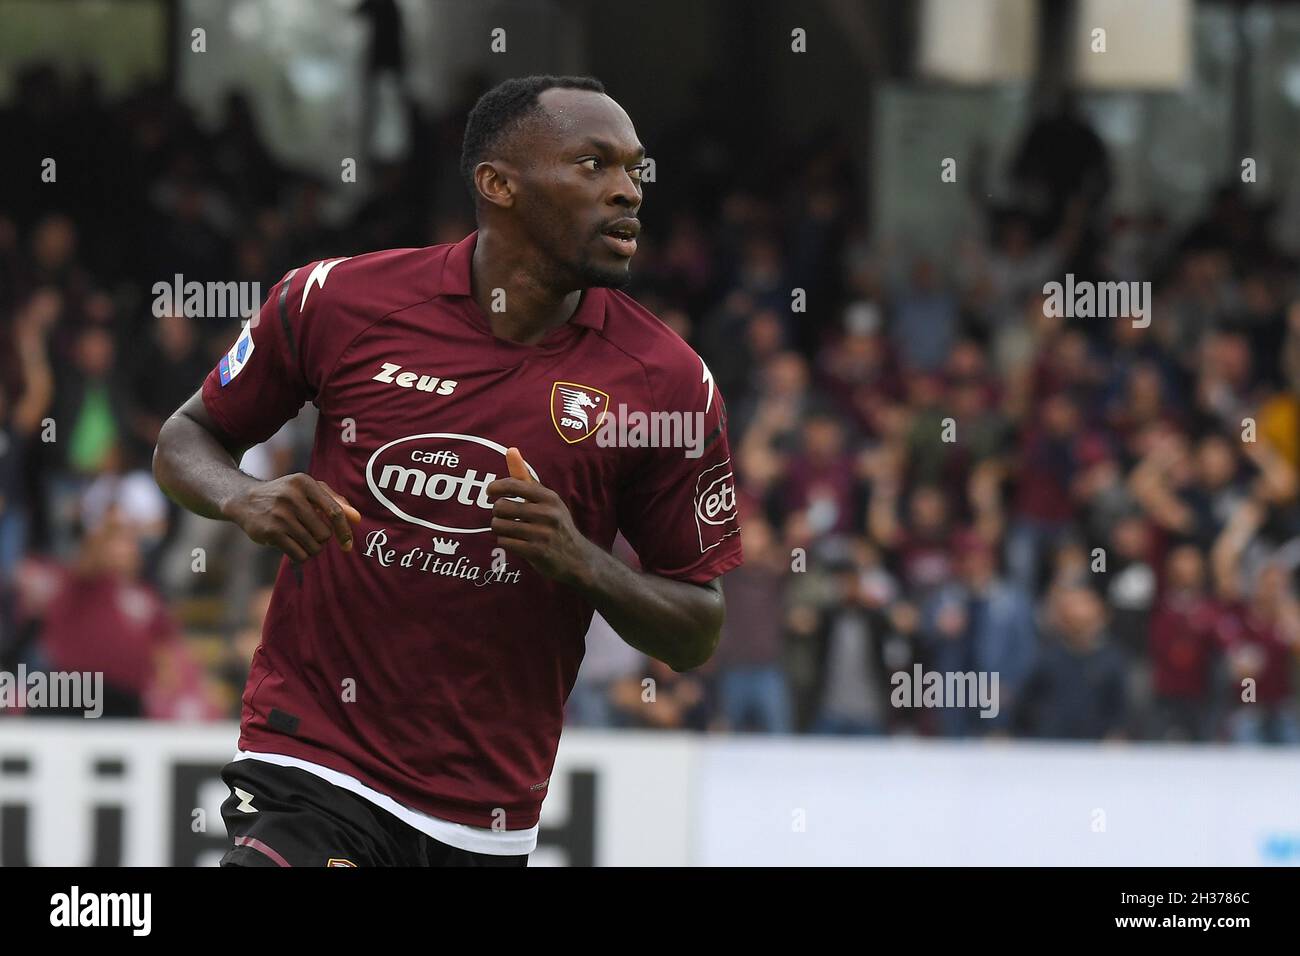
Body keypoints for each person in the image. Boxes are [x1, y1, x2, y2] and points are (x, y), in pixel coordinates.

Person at [152, 75, 742, 867]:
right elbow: (186, 439)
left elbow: (697, 630)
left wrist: (584, 563)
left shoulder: (668, 384)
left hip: (483, 816)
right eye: (592, 165)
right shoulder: (337, 301)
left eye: (634, 169)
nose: (627, 192)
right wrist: (245, 498)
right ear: (497, 184)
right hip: (314, 757)